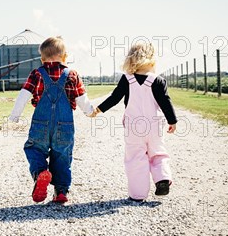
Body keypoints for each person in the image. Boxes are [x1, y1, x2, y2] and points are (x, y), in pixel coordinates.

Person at [9, 36, 94, 204]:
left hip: (40, 124)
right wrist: (90, 111)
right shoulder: (72, 75)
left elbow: (23, 95)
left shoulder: (36, 74)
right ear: (65, 56)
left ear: (42, 58)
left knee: (34, 148)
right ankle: (61, 191)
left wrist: (15, 115)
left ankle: (41, 172)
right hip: (65, 126)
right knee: (62, 155)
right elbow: (82, 99)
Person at [90, 42, 177, 202]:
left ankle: (138, 194)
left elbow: (115, 98)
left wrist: (99, 109)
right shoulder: (157, 80)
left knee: (136, 158)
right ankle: (162, 179)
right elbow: (165, 102)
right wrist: (172, 121)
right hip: (155, 127)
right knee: (158, 153)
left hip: (134, 128)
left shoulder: (127, 79)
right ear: (151, 60)